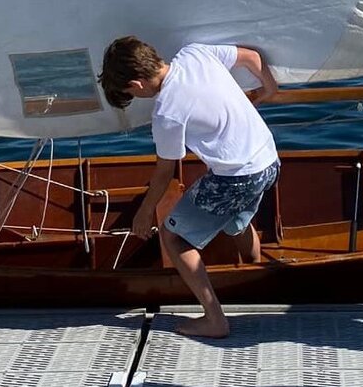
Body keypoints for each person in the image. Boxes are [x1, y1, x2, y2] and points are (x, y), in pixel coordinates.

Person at [98, 38, 280, 338]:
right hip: (268, 160)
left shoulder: (167, 113)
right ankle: (253, 275)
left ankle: (215, 319)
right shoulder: (196, 53)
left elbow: (164, 173)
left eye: (129, 92)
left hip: (236, 177)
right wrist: (270, 89)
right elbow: (251, 56)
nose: (133, 96)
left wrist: (144, 214)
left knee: (175, 237)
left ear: (137, 83)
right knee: (236, 221)